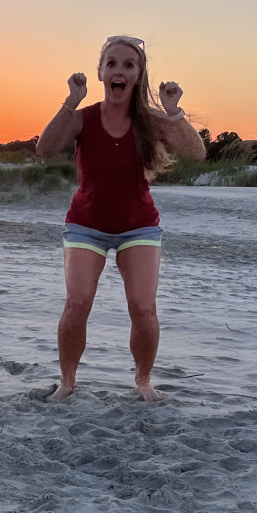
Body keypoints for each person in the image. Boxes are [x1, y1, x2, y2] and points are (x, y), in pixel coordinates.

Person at [35, 36, 205, 402]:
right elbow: (45, 149)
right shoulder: (83, 118)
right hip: (86, 225)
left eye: (129, 65)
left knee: (143, 308)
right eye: (111, 63)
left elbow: (198, 153)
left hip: (138, 226)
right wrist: (70, 102)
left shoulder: (151, 122)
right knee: (77, 304)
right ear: (100, 72)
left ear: (138, 76)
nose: (119, 71)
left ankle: (143, 381)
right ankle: (67, 381)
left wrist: (174, 110)